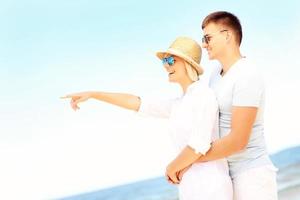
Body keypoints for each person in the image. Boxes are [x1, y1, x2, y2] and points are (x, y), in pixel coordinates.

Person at [61, 37, 233, 200]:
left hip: (211, 187)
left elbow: (199, 144)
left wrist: (171, 168)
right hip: (192, 187)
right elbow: (137, 103)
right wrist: (94, 94)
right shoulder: (179, 104)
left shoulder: (203, 95)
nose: (166, 66)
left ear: (188, 63)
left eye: (171, 60)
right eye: (164, 61)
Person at [178, 11, 278, 200]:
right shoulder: (215, 73)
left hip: (251, 175)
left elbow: (237, 141)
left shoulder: (247, 74)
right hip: (225, 174)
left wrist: (188, 160)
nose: (203, 44)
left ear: (227, 35)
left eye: (207, 38)